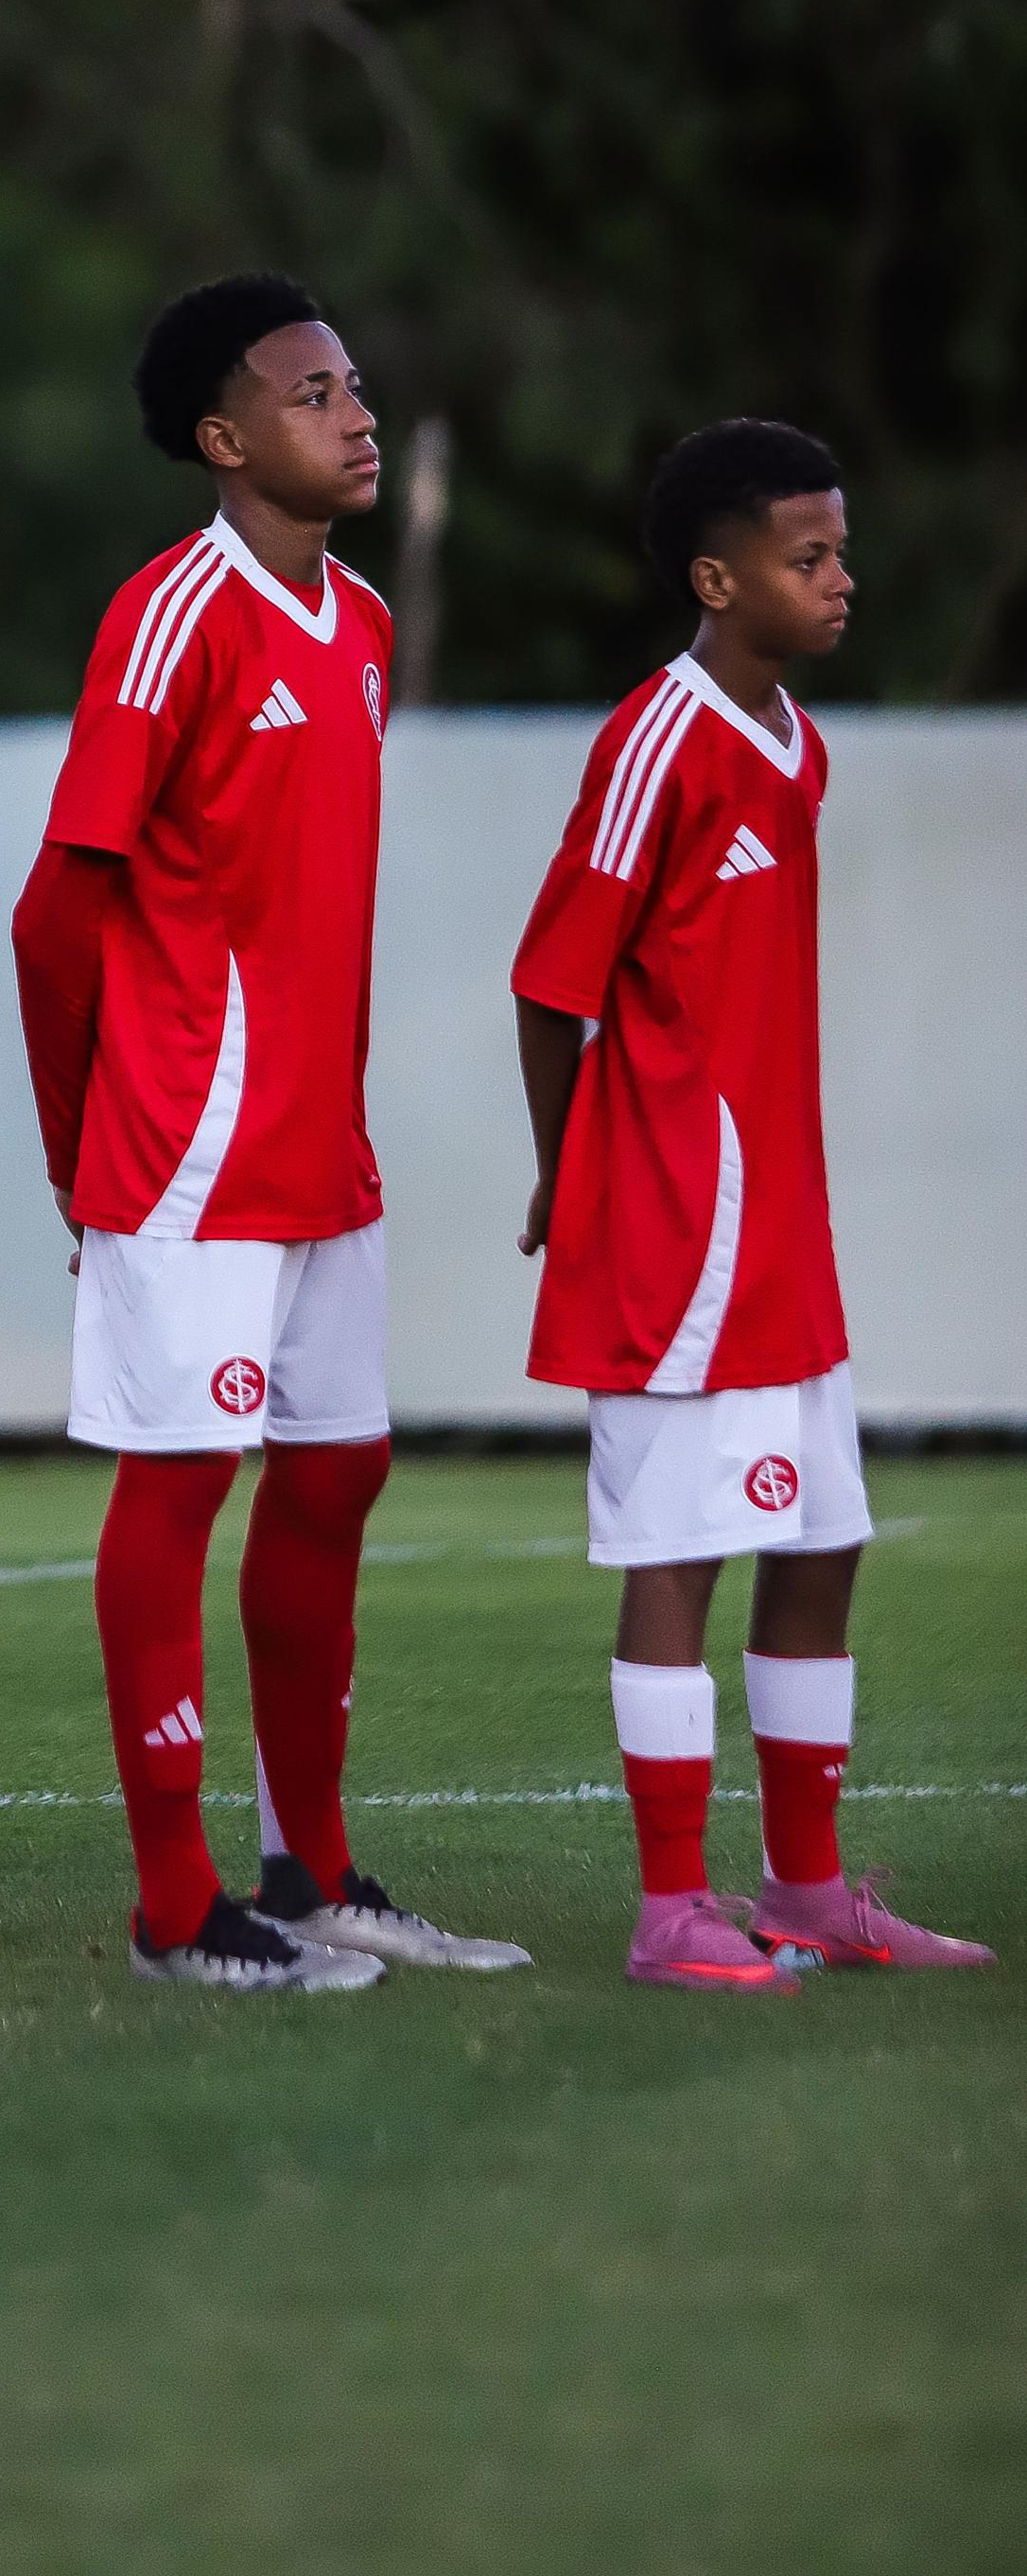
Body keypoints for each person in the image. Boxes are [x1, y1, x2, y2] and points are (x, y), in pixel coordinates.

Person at [13, 272, 530, 1994]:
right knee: (178, 1494)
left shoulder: (363, 625)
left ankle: (310, 1872)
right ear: (226, 442)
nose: (357, 414)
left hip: (322, 1151)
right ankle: (177, 1912)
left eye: (357, 386)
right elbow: (53, 913)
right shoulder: (173, 617)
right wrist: (82, 1148)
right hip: (184, 1146)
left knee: (334, 1479)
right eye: (314, 395)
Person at [514, 417, 994, 1990]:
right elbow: (548, 983)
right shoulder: (656, 739)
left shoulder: (794, 742)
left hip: (781, 1224)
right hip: (672, 1227)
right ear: (717, 579)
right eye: (809, 558)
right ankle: (670, 1911)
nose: (840, 579)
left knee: (820, 1546)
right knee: (679, 1558)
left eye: (840, 550)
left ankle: (808, 1889)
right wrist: (563, 1172)